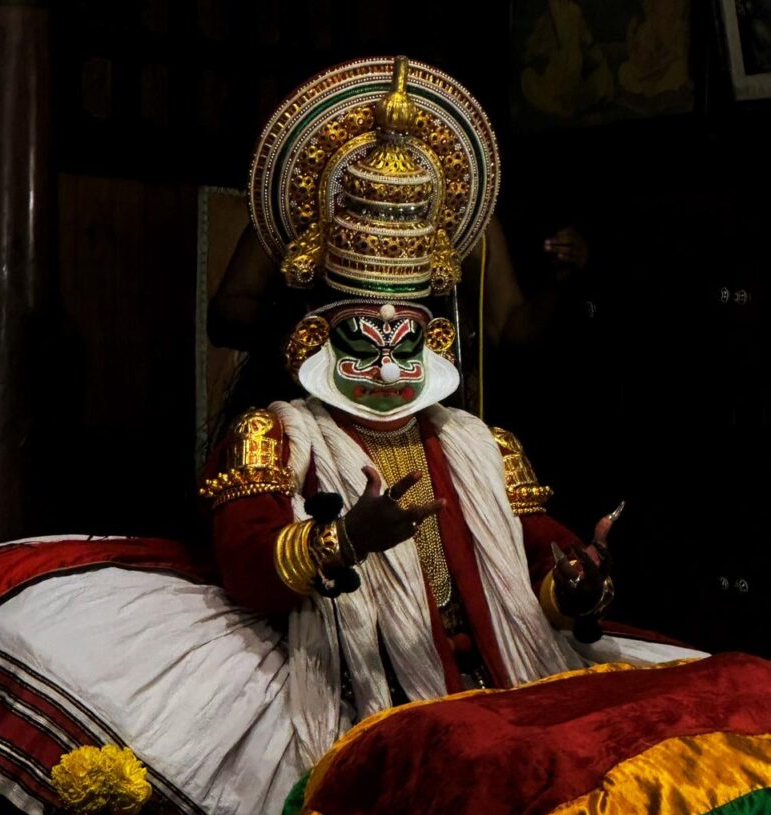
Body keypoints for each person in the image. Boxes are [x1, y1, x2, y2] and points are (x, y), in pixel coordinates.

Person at [202, 55, 696, 769]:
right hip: (358, 694)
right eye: (362, 343)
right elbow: (249, 566)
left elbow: (538, 552)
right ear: (315, 338)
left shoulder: (473, 442)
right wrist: (345, 539)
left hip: (495, 684)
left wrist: (577, 581)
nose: (386, 368)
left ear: (434, 342)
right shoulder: (275, 436)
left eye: (405, 344)